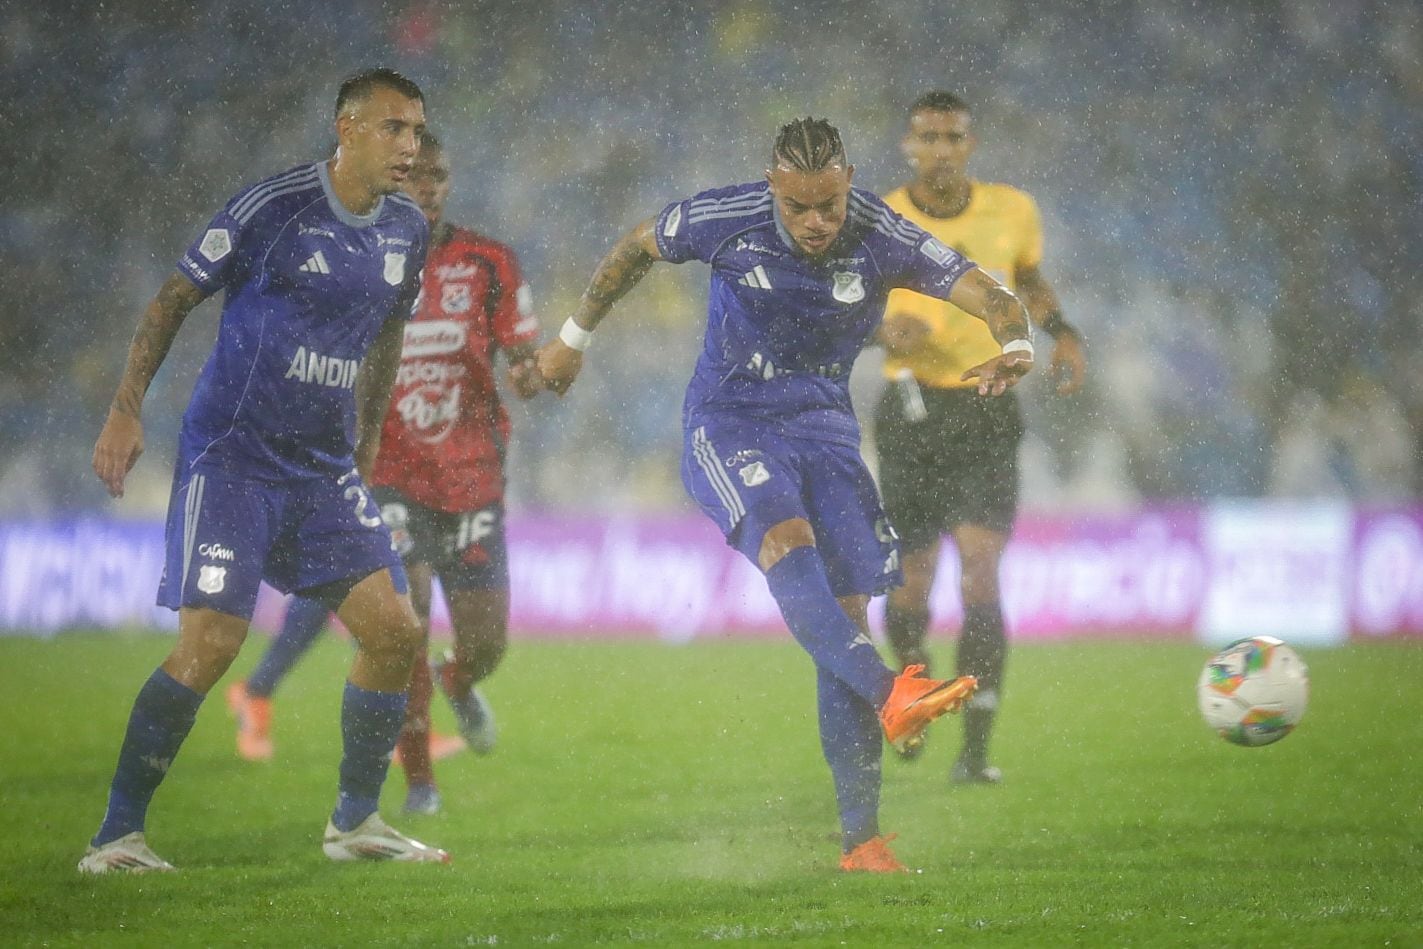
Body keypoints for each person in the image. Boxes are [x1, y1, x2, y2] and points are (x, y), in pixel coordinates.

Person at [536, 117, 1036, 873]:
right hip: (731, 421)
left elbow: (987, 291)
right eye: (797, 206)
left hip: (825, 431)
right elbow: (637, 245)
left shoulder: (881, 231)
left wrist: (1017, 343)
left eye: (828, 205)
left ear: (848, 184)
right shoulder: (725, 217)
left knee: (848, 617)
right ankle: (889, 691)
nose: (815, 221)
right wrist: (572, 339)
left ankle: (861, 841)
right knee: (784, 541)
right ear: (772, 186)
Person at [81, 68, 450, 872]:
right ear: (347, 129)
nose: (410, 146)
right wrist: (126, 407)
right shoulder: (274, 207)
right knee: (211, 642)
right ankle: (115, 836)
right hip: (234, 457)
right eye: (393, 128)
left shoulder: (405, 229)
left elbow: (388, 332)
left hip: (320, 470)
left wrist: (367, 436)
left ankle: (355, 821)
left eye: (417, 131)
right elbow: (173, 298)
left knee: (394, 632)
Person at [226, 130, 544, 817]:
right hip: (387, 472)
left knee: (486, 644)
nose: (428, 187)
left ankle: (460, 681)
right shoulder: (353, 263)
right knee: (407, 624)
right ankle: (420, 783)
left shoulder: (487, 261)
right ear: (392, 180)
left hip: (473, 478)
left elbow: (522, 354)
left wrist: (533, 371)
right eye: (415, 175)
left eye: (438, 175)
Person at [875, 91, 1087, 782]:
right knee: (911, 584)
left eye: (953, 137)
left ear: (970, 144)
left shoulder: (1011, 209)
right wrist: (880, 329)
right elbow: (844, 299)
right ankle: (912, 687)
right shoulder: (879, 218)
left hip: (987, 406)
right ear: (908, 145)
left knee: (979, 568)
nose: (940, 149)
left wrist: (1061, 332)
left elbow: (1028, 279)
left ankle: (974, 752)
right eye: (928, 136)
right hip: (911, 410)